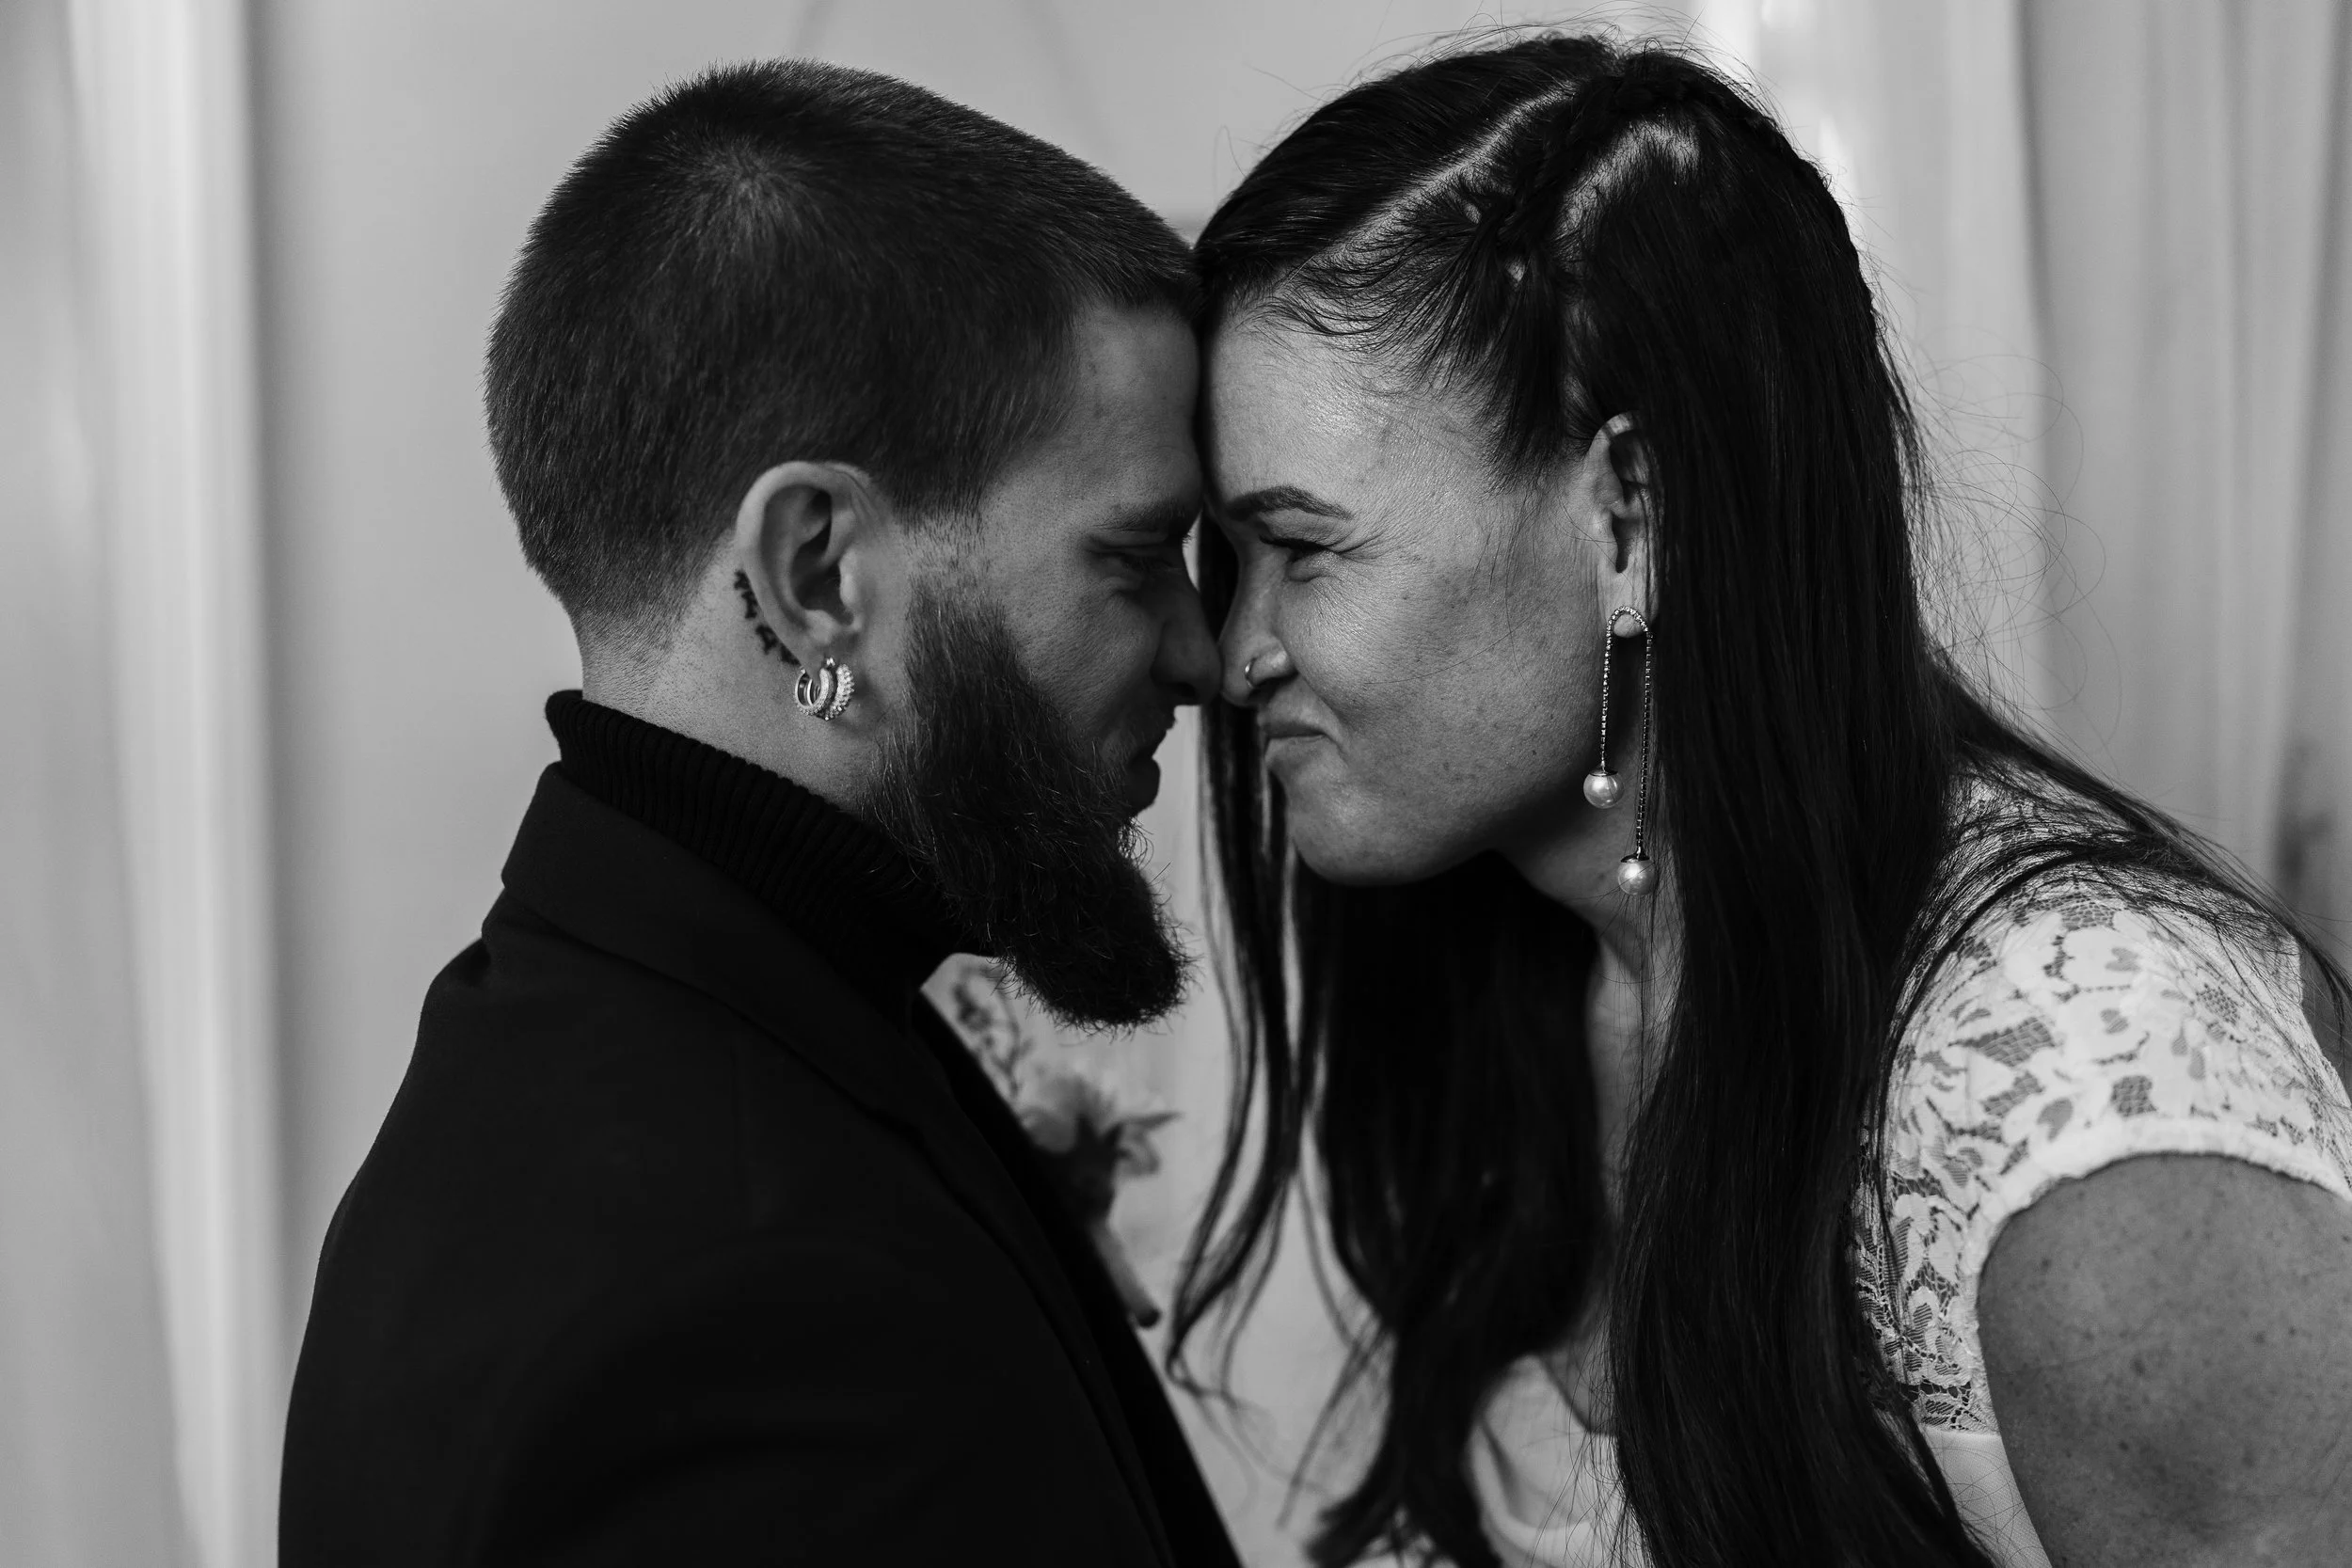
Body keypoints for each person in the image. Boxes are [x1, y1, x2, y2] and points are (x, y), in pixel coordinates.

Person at [1171, 32, 2352, 1568]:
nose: (1229, 650)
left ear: (1632, 521)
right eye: (1227, 559)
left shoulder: (2078, 1078)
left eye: (1304, 550)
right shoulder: (1508, 966)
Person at [280, 61, 1240, 1568]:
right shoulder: (740, 1295)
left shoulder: (643, 1028)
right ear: (816, 577)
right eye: (1134, 560)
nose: (1203, 653)